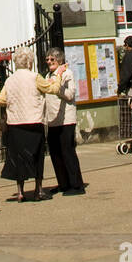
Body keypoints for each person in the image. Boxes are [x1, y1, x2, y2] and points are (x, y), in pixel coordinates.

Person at [0, 48, 50, 202]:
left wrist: (14, 102)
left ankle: (20, 191)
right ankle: (38, 190)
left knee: (18, 157)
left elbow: (0, 100)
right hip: (33, 121)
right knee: (37, 156)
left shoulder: (10, 80)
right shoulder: (35, 77)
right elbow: (49, 88)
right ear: (29, 62)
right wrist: (57, 78)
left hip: (15, 123)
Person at [42, 46, 85, 192]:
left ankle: (76, 184)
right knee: (55, 152)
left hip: (66, 119)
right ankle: (63, 183)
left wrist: (56, 88)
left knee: (67, 151)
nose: (49, 61)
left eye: (52, 59)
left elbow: (70, 94)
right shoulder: (48, 76)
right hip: (53, 120)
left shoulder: (67, 73)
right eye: (47, 59)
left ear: (59, 60)